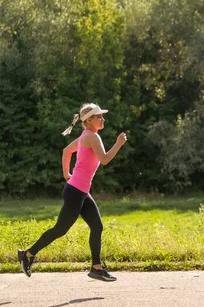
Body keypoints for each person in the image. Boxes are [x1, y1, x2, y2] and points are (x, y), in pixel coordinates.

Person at [18, 103, 127, 282]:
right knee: (60, 229)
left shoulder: (86, 135)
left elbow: (66, 151)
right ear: (89, 120)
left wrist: (66, 174)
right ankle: (28, 255)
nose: (102, 119)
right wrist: (118, 143)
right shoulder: (92, 136)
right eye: (99, 116)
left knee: (97, 226)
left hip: (79, 191)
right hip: (76, 191)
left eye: (102, 116)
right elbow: (105, 159)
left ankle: (96, 268)